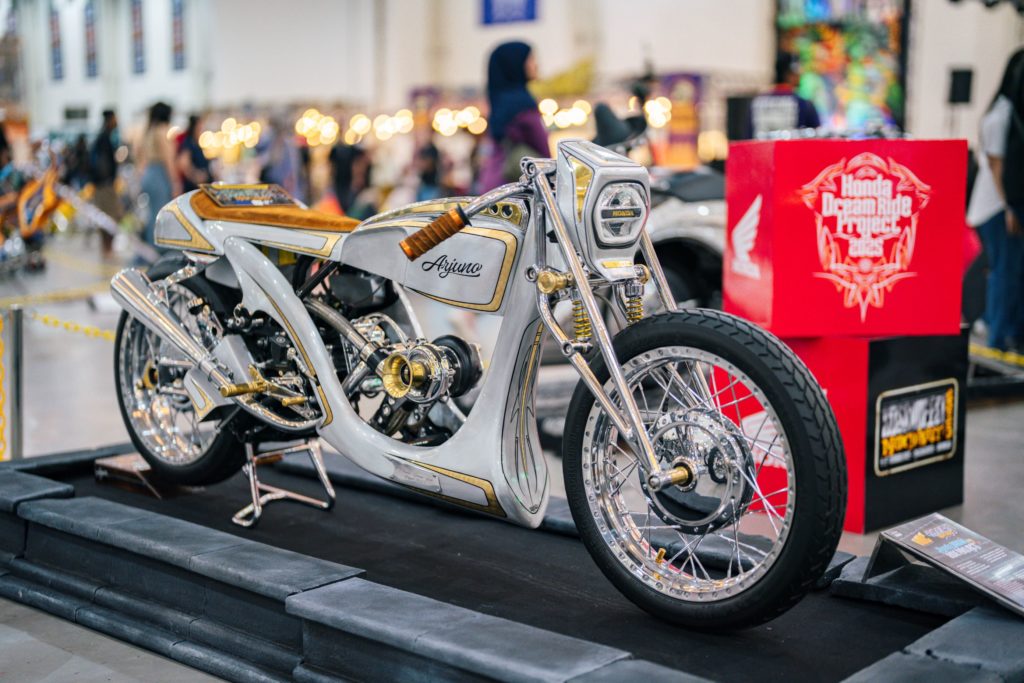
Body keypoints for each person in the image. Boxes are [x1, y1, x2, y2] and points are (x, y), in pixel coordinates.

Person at [967, 49, 1024, 351]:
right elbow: (996, 165)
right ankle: (996, 337)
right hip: (996, 208)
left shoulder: (1004, 112)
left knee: (1006, 271)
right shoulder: (1002, 115)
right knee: (1004, 272)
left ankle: (998, 327)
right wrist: (1009, 206)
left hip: (998, 207)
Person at [477, 41, 549, 192]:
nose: (536, 65)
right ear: (515, 64)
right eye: (531, 59)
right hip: (515, 189)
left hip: (494, 185)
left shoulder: (498, 102)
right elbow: (544, 154)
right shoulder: (523, 103)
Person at [135, 101, 180, 252]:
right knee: (161, 215)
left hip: (149, 173)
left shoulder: (149, 131)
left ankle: (151, 248)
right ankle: (159, 249)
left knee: (153, 214)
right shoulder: (162, 131)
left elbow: (138, 154)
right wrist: (175, 182)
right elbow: (169, 159)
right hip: (159, 174)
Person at [750, 51, 821, 138]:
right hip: (791, 147)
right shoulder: (803, 104)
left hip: (761, 146)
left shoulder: (757, 101)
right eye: (798, 72)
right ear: (789, 75)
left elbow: (747, 135)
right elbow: (817, 137)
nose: (800, 75)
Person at [89, 109, 122, 257]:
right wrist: (107, 179)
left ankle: (107, 248)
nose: (117, 122)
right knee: (109, 216)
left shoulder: (104, 137)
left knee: (109, 216)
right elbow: (103, 164)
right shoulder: (104, 139)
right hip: (105, 185)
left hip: (104, 183)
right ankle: (107, 248)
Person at [176, 114, 212, 193]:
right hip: (192, 187)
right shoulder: (188, 142)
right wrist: (196, 176)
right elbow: (183, 163)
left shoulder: (196, 142)